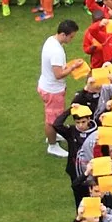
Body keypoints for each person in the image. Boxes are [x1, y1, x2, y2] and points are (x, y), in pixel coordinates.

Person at [40, 20, 83, 157]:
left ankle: (55, 136)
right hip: (53, 90)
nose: (72, 39)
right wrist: (73, 67)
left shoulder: (51, 40)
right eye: (71, 37)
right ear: (64, 34)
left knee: (54, 117)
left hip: (47, 85)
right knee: (52, 120)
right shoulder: (57, 51)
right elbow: (58, 74)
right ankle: (52, 145)